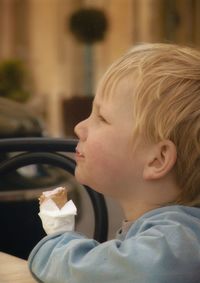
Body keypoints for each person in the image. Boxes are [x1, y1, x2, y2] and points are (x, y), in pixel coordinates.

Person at [28, 43, 200, 283]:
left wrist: (56, 247)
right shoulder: (171, 237)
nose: (79, 127)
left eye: (101, 117)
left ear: (157, 160)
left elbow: (96, 275)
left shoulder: (177, 242)